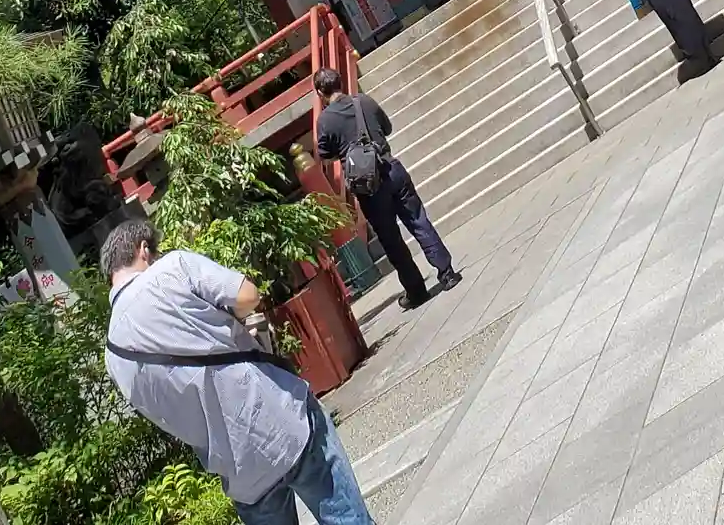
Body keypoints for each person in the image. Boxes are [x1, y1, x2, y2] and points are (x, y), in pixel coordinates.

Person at [102, 218, 375, 525]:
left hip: (239, 473)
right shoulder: (171, 269)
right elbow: (248, 296)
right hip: (283, 425)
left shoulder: (113, 357)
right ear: (144, 250)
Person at [312, 66, 460, 308]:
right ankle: (447, 273)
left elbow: (325, 154)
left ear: (320, 92)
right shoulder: (364, 102)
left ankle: (416, 290)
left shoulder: (325, 121)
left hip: (369, 187)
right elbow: (387, 128)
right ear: (341, 82)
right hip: (392, 168)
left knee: (391, 240)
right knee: (418, 220)